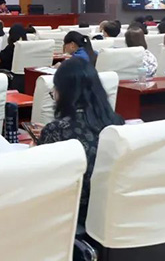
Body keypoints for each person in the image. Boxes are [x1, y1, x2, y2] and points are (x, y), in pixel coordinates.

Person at [39, 58, 125, 228]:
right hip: (108, 215)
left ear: (64, 93)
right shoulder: (117, 122)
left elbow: (42, 181)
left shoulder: (56, 130)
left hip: (70, 218)